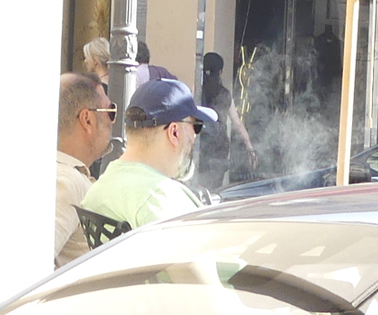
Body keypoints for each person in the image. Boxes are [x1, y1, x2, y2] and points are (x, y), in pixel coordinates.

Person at [79, 75, 216, 232]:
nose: (195, 136)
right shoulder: (162, 198)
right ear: (174, 133)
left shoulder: (101, 187)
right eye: (196, 126)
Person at [54, 71, 112, 267]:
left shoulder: (67, 176)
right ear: (87, 119)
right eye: (109, 112)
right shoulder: (68, 182)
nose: (113, 121)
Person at [193, 50, 254, 193]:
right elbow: (237, 123)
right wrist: (249, 145)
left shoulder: (197, 92)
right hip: (219, 148)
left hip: (200, 145)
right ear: (220, 72)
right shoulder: (225, 95)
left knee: (198, 185)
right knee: (216, 189)